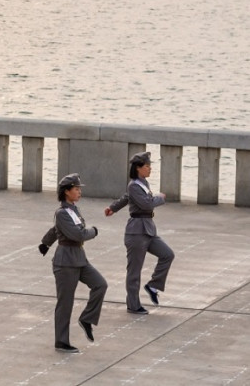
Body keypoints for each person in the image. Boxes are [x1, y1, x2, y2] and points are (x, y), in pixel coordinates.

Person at [105, 151, 174, 314]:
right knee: (134, 271)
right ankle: (133, 305)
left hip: (148, 229)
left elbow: (125, 198)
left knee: (167, 255)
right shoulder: (134, 185)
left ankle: (153, 285)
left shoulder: (142, 183)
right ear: (138, 168)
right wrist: (161, 198)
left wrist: (112, 208)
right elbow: (146, 204)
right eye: (147, 166)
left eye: (150, 166)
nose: (150, 169)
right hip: (136, 232)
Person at [51, 174, 107, 353]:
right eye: (76, 189)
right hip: (66, 262)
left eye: (79, 189)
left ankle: (86, 319)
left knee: (100, 284)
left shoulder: (74, 210)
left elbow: (60, 231)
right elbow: (79, 234)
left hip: (79, 258)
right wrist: (94, 231)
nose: (79, 192)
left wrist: (45, 243)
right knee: (65, 303)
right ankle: (61, 341)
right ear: (67, 192)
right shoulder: (61, 213)